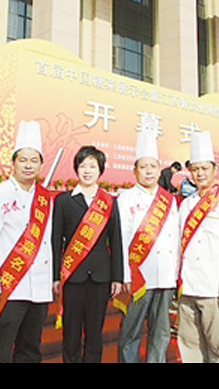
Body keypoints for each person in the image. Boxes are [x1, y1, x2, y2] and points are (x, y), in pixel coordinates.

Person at [0, 120, 54, 363]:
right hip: (10, 287)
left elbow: (48, 243)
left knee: (30, 349)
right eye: (23, 160)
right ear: (13, 163)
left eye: (34, 160)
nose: (28, 165)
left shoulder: (45, 199)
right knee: (1, 348)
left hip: (39, 288)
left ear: (40, 164)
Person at [178, 132, 219, 364]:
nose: (200, 174)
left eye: (204, 168)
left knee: (216, 348)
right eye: (195, 169)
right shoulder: (186, 204)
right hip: (188, 288)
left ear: (214, 170)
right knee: (189, 345)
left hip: (213, 289)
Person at [52, 146, 124, 363]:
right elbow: (56, 241)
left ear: (100, 170)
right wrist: (55, 276)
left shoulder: (109, 202)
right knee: (71, 331)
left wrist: (117, 277)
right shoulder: (64, 201)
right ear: (76, 169)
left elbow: (116, 241)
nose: (87, 171)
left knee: (94, 332)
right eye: (83, 166)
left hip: (101, 277)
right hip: (73, 275)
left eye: (92, 166)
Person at [116, 129, 180, 363]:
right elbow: (121, 239)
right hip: (138, 277)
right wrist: (125, 275)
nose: (149, 171)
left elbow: (176, 239)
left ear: (159, 169)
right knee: (130, 331)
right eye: (143, 167)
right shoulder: (126, 199)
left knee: (160, 332)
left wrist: (175, 273)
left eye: (153, 166)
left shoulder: (169, 200)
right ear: (135, 170)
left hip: (165, 277)